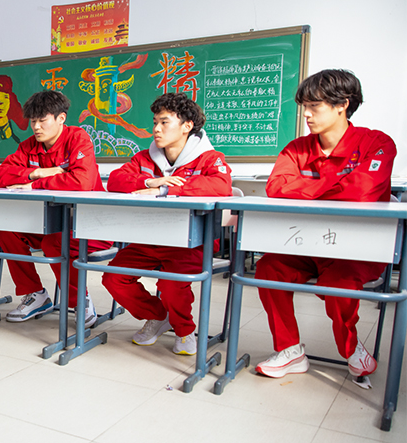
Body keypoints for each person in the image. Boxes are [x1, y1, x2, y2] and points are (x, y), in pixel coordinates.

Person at [253, 69, 397, 379]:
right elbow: (276, 187)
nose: (306, 114)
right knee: (268, 269)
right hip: (307, 244)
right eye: (304, 106)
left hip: (357, 249)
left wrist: (306, 187)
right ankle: (290, 351)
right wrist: (339, 184)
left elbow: (362, 192)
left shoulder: (377, 143)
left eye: (314, 106)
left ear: (342, 104)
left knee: (337, 284)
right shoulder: (296, 148)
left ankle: (351, 348)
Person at [103, 93, 232, 356]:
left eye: (164, 122)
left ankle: (184, 330)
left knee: (172, 284)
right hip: (149, 238)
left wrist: (166, 190)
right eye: (155, 122)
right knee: (114, 277)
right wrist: (150, 181)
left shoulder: (209, 158)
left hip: (191, 242)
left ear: (187, 126)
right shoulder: (145, 158)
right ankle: (159, 316)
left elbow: (221, 186)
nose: (156, 129)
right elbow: (115, 180)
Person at [0, 90, 111, 328]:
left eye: (42, 120)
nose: (36, 127)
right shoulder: (28, 146)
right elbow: (0, 176)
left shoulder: (78, 138)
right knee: (4, 228)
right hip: (48, 223)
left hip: (90, 226)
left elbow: (82, 182)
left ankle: (79, 301)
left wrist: (34, 184)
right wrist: (37, 172)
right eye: (32, 121)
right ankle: (35, 294)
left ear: (61, 118)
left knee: (54, 242)